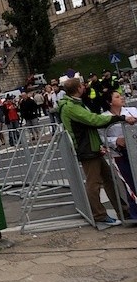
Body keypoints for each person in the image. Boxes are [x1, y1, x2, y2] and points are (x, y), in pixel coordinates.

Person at [58, 77, 136, 226]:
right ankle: (99, 215)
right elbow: (93, 120)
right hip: (86, 148)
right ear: (78, 88)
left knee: (109, 180)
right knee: (94, 183)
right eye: (82, 85)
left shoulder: (75, 104)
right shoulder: (71, 107)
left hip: (92, 146)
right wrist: (119, 118)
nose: (84, 87)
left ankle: (123, 211)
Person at [100, 90, 137, 220]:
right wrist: (116, 140)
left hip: (135, 150)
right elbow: (101, 137)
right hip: (119, 154)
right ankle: (135, 213)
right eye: (117, 97)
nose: (121, 98)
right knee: (129, 183)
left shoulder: (132, 110)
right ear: (110, 102)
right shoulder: (104, 117)